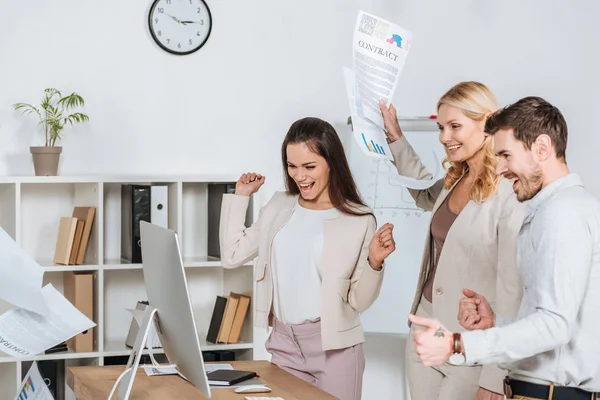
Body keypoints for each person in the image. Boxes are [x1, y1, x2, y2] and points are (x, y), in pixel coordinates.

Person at [408, 96, 600, 400]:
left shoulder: (562, 214)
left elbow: (554, 325)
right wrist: (496, 321)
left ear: (542, 148)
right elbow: (555, 316)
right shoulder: (555, 209)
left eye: (507, 156)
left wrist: (457, 344)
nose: (499, 169)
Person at [218, 116, 396, 400]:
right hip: (284, 344)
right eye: (292, 166)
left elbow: (359, 300)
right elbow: (231, 255)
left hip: (335, 350)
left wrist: (374, 262)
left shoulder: (358, 218)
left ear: (331, 163)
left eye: (309, 166)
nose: (299, 176)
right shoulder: (279, 205)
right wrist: (241, 196)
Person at [379, 81, 525, 400]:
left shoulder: (510, 191)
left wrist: (496, 373)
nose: (445, 137)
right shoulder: (456, 177)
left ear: (488, 122)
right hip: (425, 324)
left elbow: (514, 288)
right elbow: (421, 192)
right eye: (441, 127)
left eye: (455, 126)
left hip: (471, 338)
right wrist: (394, 135)